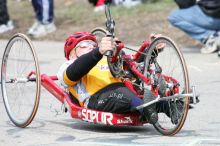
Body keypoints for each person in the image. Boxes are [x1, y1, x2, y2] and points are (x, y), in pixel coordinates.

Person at [57, 32, 159, 124]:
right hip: (96, 98)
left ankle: (168, 105)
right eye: (84, 45)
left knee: (144, 91)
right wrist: (97, 51)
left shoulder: (105, 60)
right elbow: (72, 74)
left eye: (93, 45)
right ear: (71, 54)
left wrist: (152, 48)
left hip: (124, 90)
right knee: (123, 93)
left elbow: (134, 65)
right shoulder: (69, 65)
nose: (91, 47)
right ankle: (146, 109)